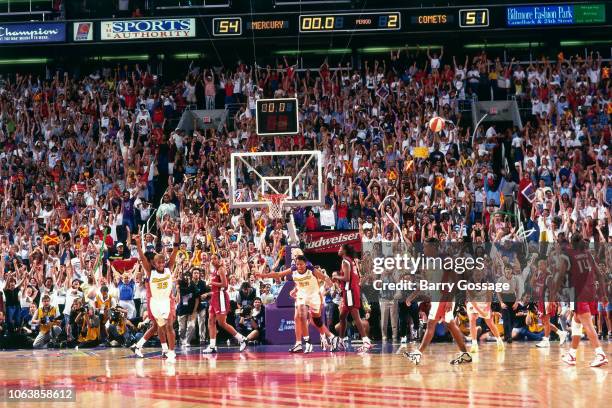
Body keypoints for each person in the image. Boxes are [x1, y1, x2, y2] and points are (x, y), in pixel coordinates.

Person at [403, 238, 471, 365]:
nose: (423, 249)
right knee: (450, 325)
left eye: (425, 247)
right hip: (437, 299)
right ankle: (465, 354)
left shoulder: (445, 259)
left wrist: (449, 300)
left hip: (444, 298)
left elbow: (456, 281)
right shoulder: (429, 263)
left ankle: (417, 354)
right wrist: (411, 296)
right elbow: (424, 283)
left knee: (430, 324)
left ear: (433, 247)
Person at [257, 255, 338, 353]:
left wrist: (333, 285)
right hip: (302, 296)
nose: (299, 266)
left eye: (301, 264)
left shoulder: (311, 269)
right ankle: (306, 343)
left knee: (316, 321)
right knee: (300, 315)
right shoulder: (293, 269)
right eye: (297, 264)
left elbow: (324, 277)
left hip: (313, 296)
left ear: (305, 263)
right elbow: (278, 274)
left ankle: (331, 337)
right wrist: (264, 276)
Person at [131, 227, 180, 362]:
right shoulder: (150, 272)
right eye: (159, 262)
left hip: (166, 301)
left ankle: (171, 352)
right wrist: (138, 244)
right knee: (159, 327)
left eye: (163, 262)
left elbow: (175, 250)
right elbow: (141, 257)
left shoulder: (168, 268)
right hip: (155, 303)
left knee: (169, 326)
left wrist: (177, 235)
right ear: (154, 263)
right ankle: (164, 349)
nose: (161, 264)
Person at [558, 235, 608, 367]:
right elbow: (600, 275)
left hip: (579, 294)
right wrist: (603, 295)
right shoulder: (588, 255)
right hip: (591, 293)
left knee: (587, 324)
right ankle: (572, 354)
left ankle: (600, 354)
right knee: (576, 321)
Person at [202, 254, 247, 354]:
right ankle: (212, 345)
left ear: (219, 260)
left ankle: (242, 339)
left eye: (215, 258)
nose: (213, 260)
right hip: (214, 297)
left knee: (222, 323)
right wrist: (209, 292)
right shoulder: (214, 271)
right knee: (211, 321)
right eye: (212, 258)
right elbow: (215, 288)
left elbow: (224, 285)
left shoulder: (221, 269)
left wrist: (211, 283)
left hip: (221, 297)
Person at [333, 244, 372, 353]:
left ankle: (366, 341)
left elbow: (346, 278)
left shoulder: (345, 261)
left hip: (350, 292)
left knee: (356, 317)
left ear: (344, 251)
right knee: (342, 316)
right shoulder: (351, 261)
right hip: (349, 291)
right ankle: (341, 341)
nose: (338, 249)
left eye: (340, 248)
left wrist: (336, 277)